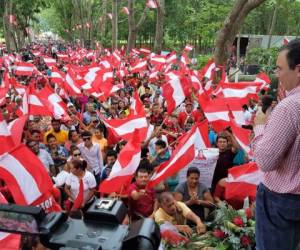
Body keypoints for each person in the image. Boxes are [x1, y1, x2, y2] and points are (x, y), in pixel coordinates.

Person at [253, 39, 300, 250]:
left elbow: (265, 160)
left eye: (280, 69)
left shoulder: (289, 107)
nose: (277, 75)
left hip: (282, 203)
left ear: (298, 69)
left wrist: (260, 126)